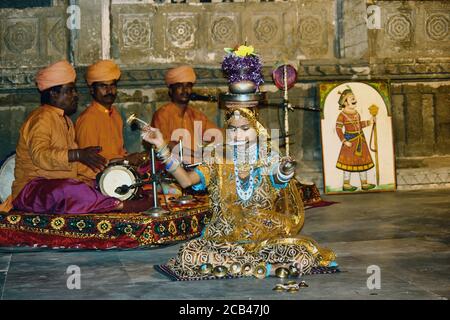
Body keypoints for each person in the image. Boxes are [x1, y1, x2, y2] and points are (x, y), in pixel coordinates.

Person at [142, 104, 337, 280]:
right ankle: (268, 269)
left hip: (265, 236)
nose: (238, 135)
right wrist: (161, 147)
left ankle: (244, 266)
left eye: (245, 129)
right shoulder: (217, 160)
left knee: (303, 256)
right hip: (226, 238)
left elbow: (278, 180)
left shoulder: (267, 158)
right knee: (190, 253)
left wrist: (285, 171)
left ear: (257, 130)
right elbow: (185, 180)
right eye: (233, 129)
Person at [1, 60, 150, 214]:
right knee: (67, 190)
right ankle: (120, 206)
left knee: (94, 184)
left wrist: (107, 169)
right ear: (54, 93)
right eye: (70, 91)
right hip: (32, 189)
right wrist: (78, 154)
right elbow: (41, 156)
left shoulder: (66, 121)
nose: (76, 95)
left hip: (59, 182)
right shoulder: (41, 118)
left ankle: (116, 198)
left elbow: (74, 166)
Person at [75, 59, 147, 180]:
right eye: (103, 86)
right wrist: (125, 161)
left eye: (112, 85)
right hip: (97, 181)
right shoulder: (88, 119)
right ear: (92, 90)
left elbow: (119, 153)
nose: (109, 91)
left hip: (116, 175)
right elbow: (88, 165)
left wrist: (133, 158)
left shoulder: (115, 115)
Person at [151, 65, 219, 165]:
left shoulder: (197, 115)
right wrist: (196, 154)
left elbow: (216, 135)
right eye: (179, 86)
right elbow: (165, 143)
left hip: (196, 167)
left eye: (188, 86)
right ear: (171, 90)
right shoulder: (162, 114)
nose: (185, 90)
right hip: (172, 169)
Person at [335, 86, 376, 191]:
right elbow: (338, 129)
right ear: (345, 102)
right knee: (347, 164)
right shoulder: (342, 115)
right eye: (352, 99)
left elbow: (359, 124)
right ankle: (346, 184)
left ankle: (364, 183)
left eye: (354, 98)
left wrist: (369, 122)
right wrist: (344, 141)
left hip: (360, 140)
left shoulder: (357, 113)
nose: (355, 100)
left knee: (362, 162)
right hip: (350, 141)